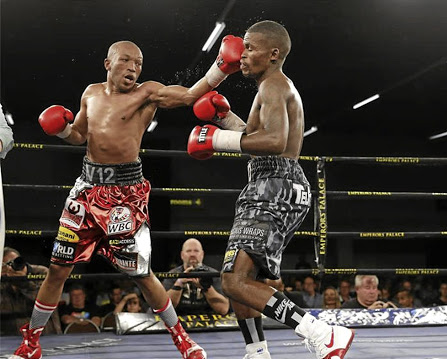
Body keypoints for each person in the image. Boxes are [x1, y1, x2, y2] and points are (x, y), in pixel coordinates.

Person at [10, 37, 245, 359]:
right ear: (108, 64)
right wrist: (62, 130)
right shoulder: (90, 93)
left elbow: (190, 96)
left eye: (138, 63)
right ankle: (32, 343)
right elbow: (79, 135)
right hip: (85, 191)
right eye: (126, 60)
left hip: (125, 197)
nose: (133, 67)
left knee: (141, 274)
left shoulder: (146, 93)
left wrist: (222, 68)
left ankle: (183, 341)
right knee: (57, 268)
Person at [187, 20, 354, 359]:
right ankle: (258, 352)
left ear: (273, 53)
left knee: (233, 281)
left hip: (273, 185)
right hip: (276, 184)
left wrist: (217, 139)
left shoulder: (274, 85)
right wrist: (224, 117)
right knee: (241, 278)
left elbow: (274, 142)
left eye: (250, 48)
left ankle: (323, 333)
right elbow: (255, 134)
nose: (242, 55)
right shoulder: (274, 87)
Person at [1, 247, 61, 335]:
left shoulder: (41, 272)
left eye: (15, 262)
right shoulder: (2, 278)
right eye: (6, 265)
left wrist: (23, 281)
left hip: (45, 333)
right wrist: (4, 279)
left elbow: (46, 300)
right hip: (11, 335)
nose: (11, 267)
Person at [164, 238, 229, 315]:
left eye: (196, 251)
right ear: (182, 255)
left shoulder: (213, 274)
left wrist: (205, 287)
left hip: (208, 318)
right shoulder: (172, 274)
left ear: (202, 254)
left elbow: (223, 309)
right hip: (178, 317)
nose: (192, 254)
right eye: (188, 251)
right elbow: (163, 308)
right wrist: (179, 283)